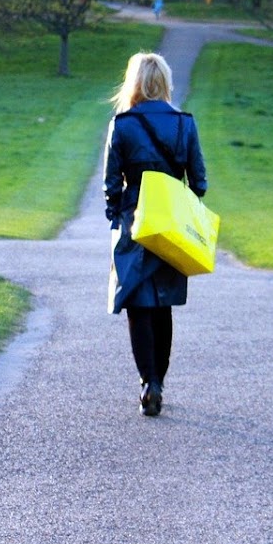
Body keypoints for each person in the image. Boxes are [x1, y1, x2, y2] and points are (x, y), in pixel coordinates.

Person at [103, 52, 207, 417]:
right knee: (163, 305)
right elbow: (200, 182)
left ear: (133, 83)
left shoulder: (123, 124)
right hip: (172, 223)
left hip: (135, 221)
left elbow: (110, 187)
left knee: (136, 303)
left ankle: (148, 381)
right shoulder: (184, 124)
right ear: (164, 82)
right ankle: (158, 380)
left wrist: (117, 217)